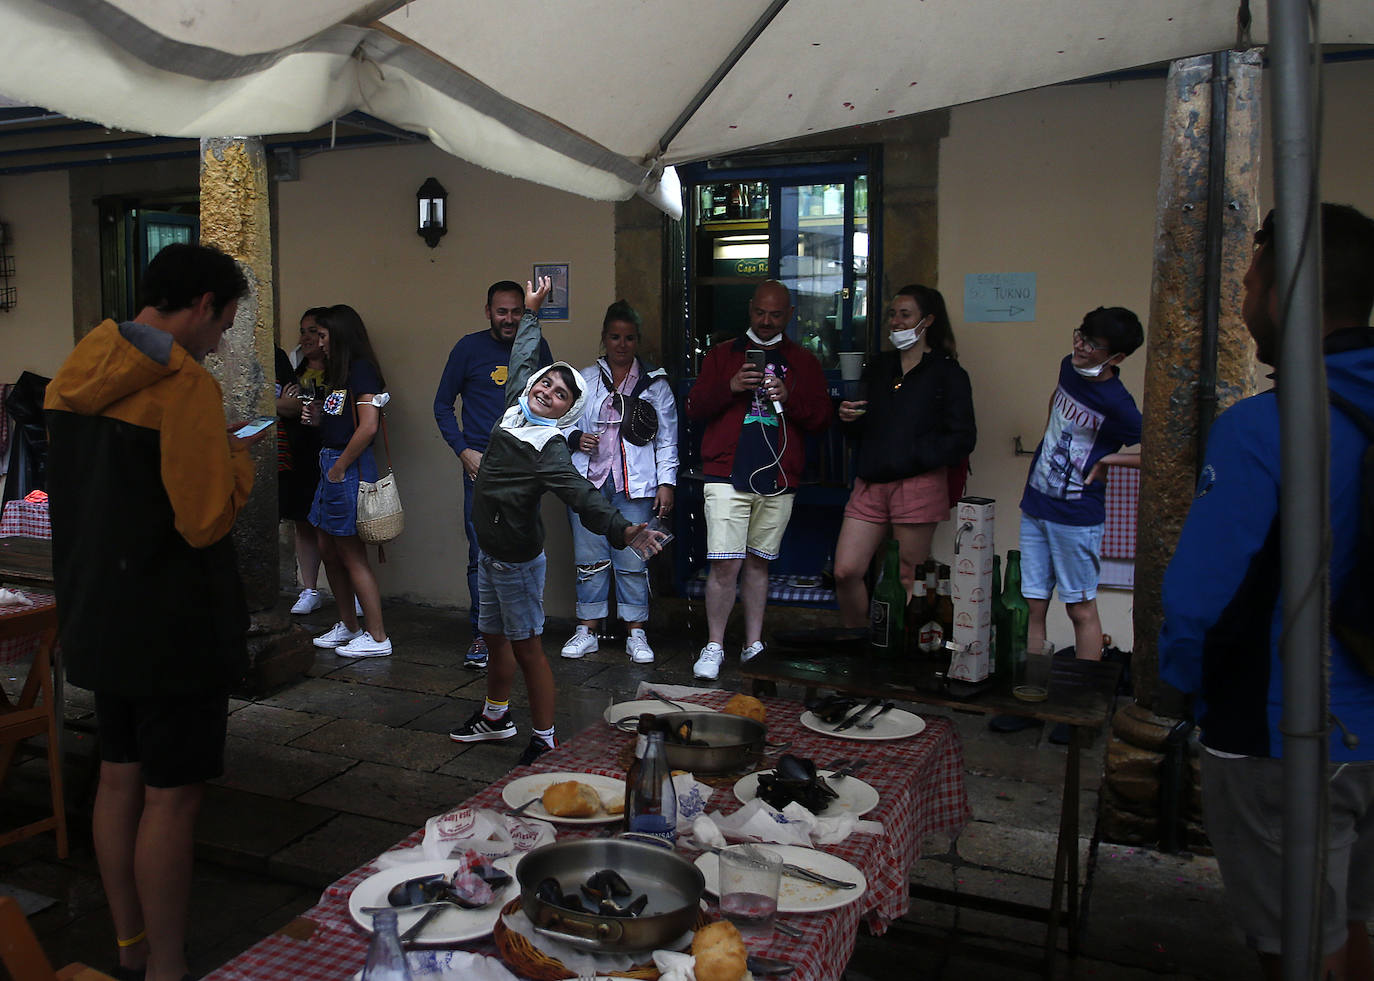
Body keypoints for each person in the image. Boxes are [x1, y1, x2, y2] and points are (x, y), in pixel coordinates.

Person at [1160, 203, 1374, 981]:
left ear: (1287, 291)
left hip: (1285, 731)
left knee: (1294, 950)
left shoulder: (1265, 427)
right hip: (1369, 728)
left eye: (1250, 283)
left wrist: (1180, 684)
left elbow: (1200, 599)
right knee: (1351, 925)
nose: (1244, 302)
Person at [43, 242, 262, 981]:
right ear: (200, 305)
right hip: (173, 623)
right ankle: (168, 967)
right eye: (223, 323)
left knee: (116, 777)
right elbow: (203, 520)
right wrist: (239, 462)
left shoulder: (76, 368)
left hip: (98, 611)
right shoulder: (184, 386)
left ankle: (128, 945)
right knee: (171, 799)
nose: (219, 339)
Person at [447, 277, 662, 765]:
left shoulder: (548, 449)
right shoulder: (514, 408)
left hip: (517, 564)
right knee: (496, 638)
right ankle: (496, 716)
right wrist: (531, 314)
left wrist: (623, 529)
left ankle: (545, 738)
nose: (548, 389)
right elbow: (524, 360)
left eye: (562, 392)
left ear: (569, 413)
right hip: (490, 552)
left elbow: (583, 496)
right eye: (547, 382)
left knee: (527, 651)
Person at [684, 280, 832, 681]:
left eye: (775, 315)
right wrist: (730, 386)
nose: (766, 322)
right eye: (759, 313)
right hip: (725, 473)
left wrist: (788, 396)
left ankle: (753, 644)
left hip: (778, 474)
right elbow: (695, 407)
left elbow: (820, 418)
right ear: (749, 309)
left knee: (757, 564)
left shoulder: (803, 360)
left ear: (790, 315)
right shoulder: (721, 355)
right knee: (724, 565)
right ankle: (714, 645)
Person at [833, 284, 976, 626]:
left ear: (927, 321)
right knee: (845, 571)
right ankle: (859, 643)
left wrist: (913, 456)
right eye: (892, 314)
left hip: (918, 484)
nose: (895, 322)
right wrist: (848, 419)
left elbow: (963, 437)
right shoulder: (880, 367)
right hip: (870, 482)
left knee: (906, 577)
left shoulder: (948, 373)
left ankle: (899, 657)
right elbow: (861, 427)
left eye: (905, 314)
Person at [435, 281, 553, 670]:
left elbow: (554, 405)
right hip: (479, 469)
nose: (509, 319)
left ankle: (525, 635)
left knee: (525, 551)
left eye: (516, 311)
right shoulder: (468, 348)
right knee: (481, 553)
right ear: (487, 311)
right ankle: (483, 636)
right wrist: (463, 451)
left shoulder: (538, 346)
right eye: (501, 311)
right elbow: (441, 406)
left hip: (524, 470)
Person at [1018, 306, 1143, 661]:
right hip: (1036, 504)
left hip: (1076, 516)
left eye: (1094, 345)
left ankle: (1082, 703)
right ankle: (1032, 690)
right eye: (1081, 336)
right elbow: (1055, 403)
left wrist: (1108, 460)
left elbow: (1160, 453)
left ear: (1117, 356)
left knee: (1080, 608)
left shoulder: (1119, 403)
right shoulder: (1067, 368)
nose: (1082, 347)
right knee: (1032, 604)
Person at [561, 300, 679, 663]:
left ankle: (636, 632)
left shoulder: (654, 384)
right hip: (591, 483)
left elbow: (667, 438)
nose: (621, 344)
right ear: (604, 338)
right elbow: (561, 422)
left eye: (628, 338)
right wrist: (576, 439)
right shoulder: (585, 380)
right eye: (615, 337)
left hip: (636, 485)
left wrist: (667, 483)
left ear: (637, 340)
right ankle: (588, 629)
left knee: (633, 559)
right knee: (589, 557)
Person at [308, 303, 392, 658]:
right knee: (328, 548)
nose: (318, 342)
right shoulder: (336, 373)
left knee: (351, 552)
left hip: (346, 467)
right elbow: (337, 420)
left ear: (339, 336)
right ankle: (348, 624)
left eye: (323, 335)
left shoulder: (362, 371)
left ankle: (377, 637)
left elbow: (368, 426)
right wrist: (315, 418)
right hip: (331, 463)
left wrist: (340, 467)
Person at [279, 307, 329, 615]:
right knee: (303, 522)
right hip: (299, 454)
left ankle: (349, 592)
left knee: (333, 527)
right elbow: (284, 407)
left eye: (315, 331)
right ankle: (310, 589)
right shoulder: (293, 367)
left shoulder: (342, 370)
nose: (307, 338)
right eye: (304, 331)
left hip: (330, 455)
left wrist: (297, 405)